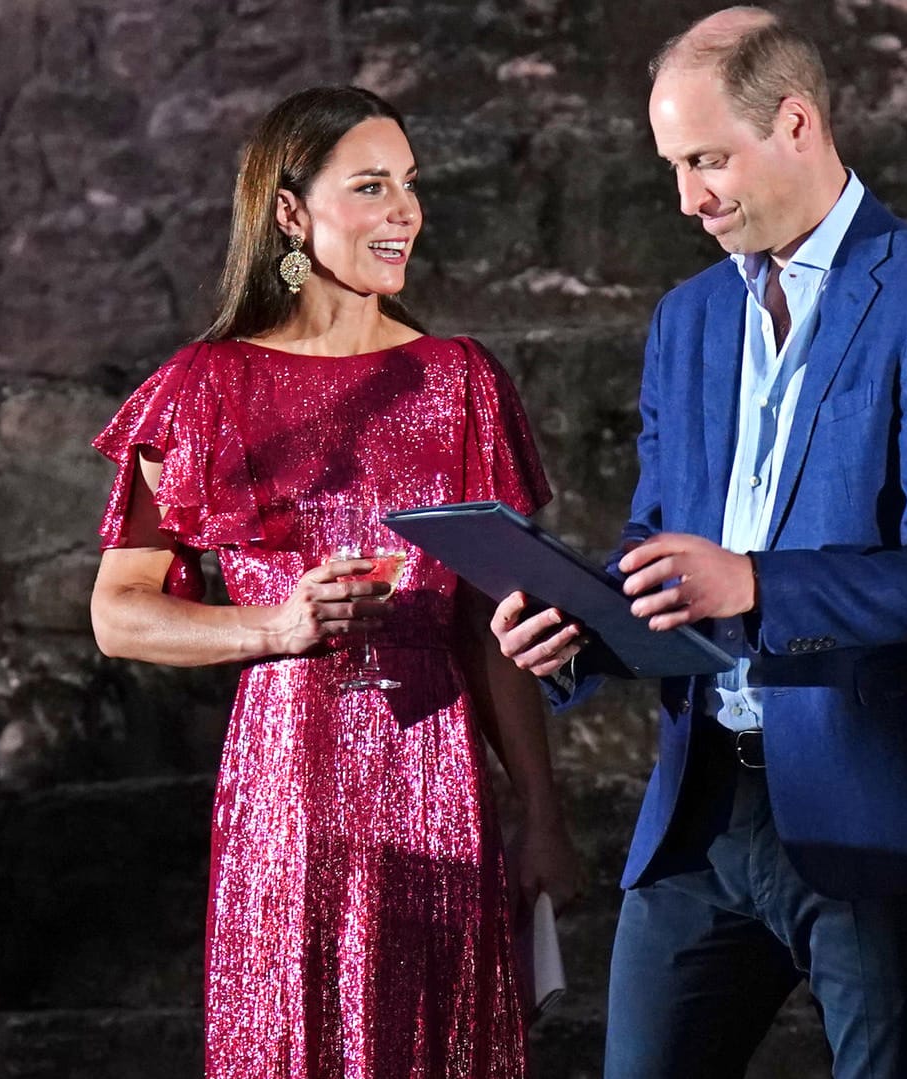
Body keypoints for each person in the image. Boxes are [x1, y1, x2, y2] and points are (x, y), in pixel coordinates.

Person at [492, 9, 907, 1077]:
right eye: (674, 166)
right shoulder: (687, 319)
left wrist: (752, 583)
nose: (688, 196)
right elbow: (658, 544)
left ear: (796, 123)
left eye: (706, 159)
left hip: (876, 820)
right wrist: (579, 627)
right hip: (703, 815)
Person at [88, 86, 578, 1079]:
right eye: (371, 185)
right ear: (290, 212)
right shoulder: (204, 387)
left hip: (439, 787)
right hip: (288, 796)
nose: (406, 209)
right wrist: (273, 623)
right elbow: (118, 612)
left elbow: (491, 624)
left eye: (409, 185)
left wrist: (541, 806)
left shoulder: (461, 379)